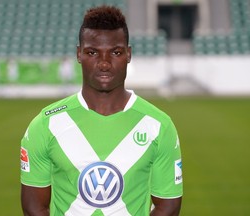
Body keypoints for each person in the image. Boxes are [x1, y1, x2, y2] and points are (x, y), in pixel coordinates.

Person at [20, 5, 183, 216]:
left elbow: (168, 206)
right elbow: (34, 208)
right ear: (79, 54)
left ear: (129, 54)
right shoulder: (45, 125)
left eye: (115, 52)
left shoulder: (159, 126)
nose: (104, 63)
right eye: (92, 52)